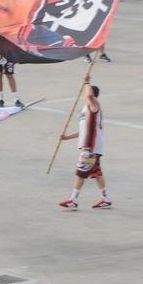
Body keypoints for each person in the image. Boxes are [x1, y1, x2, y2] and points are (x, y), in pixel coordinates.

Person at [58, 75, 110, 210]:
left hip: (90, 149)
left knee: (80, 173)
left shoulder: (94, 105)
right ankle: (106, 198)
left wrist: (86, 82)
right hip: (90, 147)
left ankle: (73, 200)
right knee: (97, 173)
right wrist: (67, 137)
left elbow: (88, 96)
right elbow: (84, 130)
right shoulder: (86, 109)